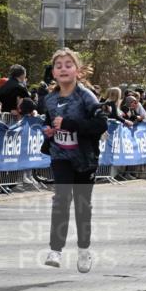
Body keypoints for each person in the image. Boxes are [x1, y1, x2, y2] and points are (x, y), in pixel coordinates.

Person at [41, 48, 108, 273]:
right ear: (53, 72)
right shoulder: (50, 99)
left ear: (77, 71)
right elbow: (49, 120)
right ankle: (55, 250)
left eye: (68, 65)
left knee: (82, 205)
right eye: (58, 66)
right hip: (60, 155)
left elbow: (101, 124)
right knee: (61, 198)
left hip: (85, 158)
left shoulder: (86, 96)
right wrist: (49, 130)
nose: (63, 69)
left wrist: (70, 125)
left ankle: (83, 249)